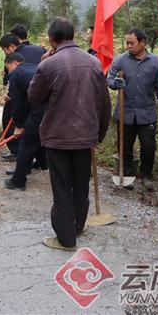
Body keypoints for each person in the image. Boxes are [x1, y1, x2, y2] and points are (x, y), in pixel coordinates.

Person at [28, 17, 111, 251]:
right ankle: (77, 226)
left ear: (52, 38)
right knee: (80, 183)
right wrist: (99, 134)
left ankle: (66, 239)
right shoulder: (94, 63)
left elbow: (34, 98)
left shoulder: (48, 65)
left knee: (62, 186)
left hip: (58, 137)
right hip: (86, 137)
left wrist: (41, 66)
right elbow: (104, 104)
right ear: (73, 35)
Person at [107, 28, 158, 188]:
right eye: (127, 43)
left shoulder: (157, 62)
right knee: (125, 146)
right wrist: (115, 83)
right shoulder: (121, 60)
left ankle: (146, 175)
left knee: (149, 146)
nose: (128, 46)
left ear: (142, 43)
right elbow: (110, 77)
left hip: (146, 113)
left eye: (132, 43)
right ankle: (127, 174)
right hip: (125, 112)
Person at [0, 33, 46, 161]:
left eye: (4, 50)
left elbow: (15, 82)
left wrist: (19, 125)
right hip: (43, 95)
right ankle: (41, 160)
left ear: (11, 47)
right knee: (38, 129)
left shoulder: (15, 60)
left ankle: (17, 153)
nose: (5, 53)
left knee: (15, 119)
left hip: (25, 96)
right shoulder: (39, 49)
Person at [2, 53, 46, 191]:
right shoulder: (34, 67)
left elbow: (19, 103)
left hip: (39, 109)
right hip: (52, 108)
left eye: (7, 67)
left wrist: (19, 124)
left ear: (14, 63)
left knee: (26, 144)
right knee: (38, 138)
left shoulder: (16, 74)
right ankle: (41, 163)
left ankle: (18, 180)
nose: (8, 71)